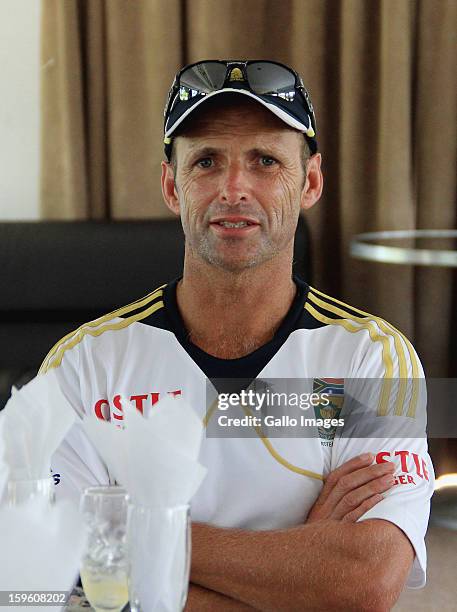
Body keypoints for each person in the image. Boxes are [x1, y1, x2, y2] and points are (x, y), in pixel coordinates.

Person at [41, 60, 434, 610]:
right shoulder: (83, 363)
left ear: (310, 183)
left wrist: (128, 532)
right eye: (205, 161)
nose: (233, 188)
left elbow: (364, 580)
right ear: (171, 186)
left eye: (266, 161)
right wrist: (303, 565)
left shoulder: (372, 358)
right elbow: (49, 583)